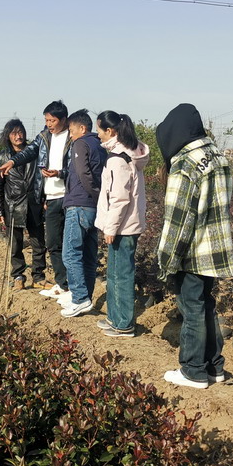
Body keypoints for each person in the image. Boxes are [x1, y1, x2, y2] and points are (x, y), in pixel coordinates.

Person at [156, 103, 233, 389]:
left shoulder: (184, 163)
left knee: (191, 308)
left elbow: (178, 218)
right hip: (215, 249)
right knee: (206, 306)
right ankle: (214, 367)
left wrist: (166, 259)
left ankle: (192, 370)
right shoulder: (218, 156)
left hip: (193, 251)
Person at [0, 100, 71, 296]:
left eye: (51, 120)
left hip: (46, 201)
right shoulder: (42, 139)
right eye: (46, 120)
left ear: (63, 119)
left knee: (42, 243)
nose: (48, 124)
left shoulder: (72, 139)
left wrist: (56, 179)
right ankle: (20, 276)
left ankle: (41, 278)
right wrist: (12, 161)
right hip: (17, 204)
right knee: (20, 244)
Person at [94, 111, 149, 337]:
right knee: (115, 273)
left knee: (121, 274)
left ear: (110, 131)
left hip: (122, 227)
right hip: (124, 225)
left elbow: (119, 197)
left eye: (99, 130)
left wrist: (111, 228)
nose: (97, 135)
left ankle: (124, 323)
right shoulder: (127, 154)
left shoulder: (119, 159)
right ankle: (115, 318)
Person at [58, 109, 107, 317]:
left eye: (71, 130)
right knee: (88, 254)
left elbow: (84, 173)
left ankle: (79, 297)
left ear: (82, 128)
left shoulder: (80, 143)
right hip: (93, 208)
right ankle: (86, 295)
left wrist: (93, 194)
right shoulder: (100, 144)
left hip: (79, 204)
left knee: (70, 253)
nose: (70, 134)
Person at [0, 118, 47, 289]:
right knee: (15, 245)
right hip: (13, 206)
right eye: (14, 133)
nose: (19, 136)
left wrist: (44, 199)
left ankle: (38, 277)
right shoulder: (3, 156)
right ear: (8, 136)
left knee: (38, 243)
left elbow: (42, 179)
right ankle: (18, 276)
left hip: (33, 204)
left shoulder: (34, 153)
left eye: (21, 132)